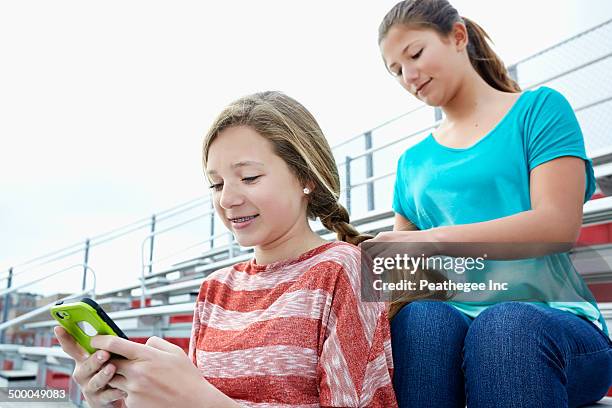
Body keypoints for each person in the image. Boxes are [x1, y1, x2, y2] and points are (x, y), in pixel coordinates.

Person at [55, 91, 398, 407]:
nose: (227, 199)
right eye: (216, 184)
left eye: (248, 178)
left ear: (306, 177)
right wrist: (116, 396)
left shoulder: (342, 269)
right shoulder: (215, 289)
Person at [373, 0, 612, 407]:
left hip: (551, 326)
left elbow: (557, 226)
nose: (409, 76)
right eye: (395, 71)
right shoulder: (410, 163)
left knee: (504, 327)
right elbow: (408, 275)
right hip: (452, 329)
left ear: (458, 37)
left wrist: (432, 240)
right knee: (419, 322)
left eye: (415, 54)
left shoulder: (538, 110)